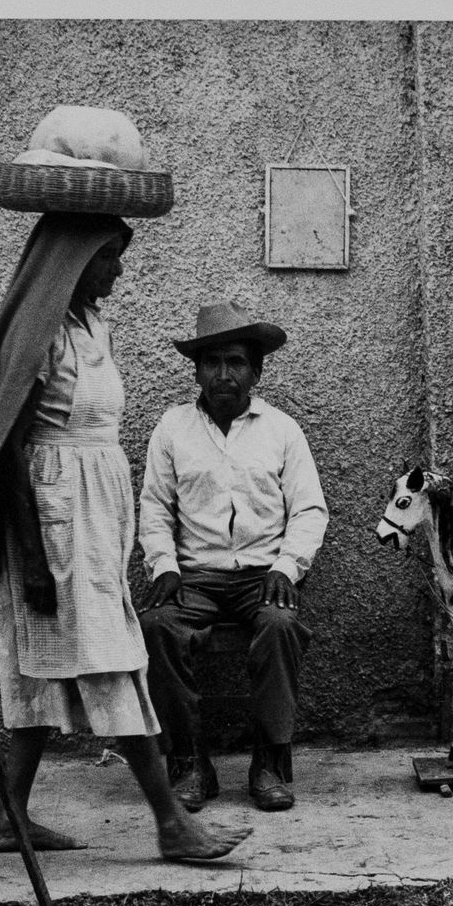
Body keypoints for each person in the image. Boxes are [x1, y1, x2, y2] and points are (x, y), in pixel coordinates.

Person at [0, 216, 252, 861]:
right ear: (73, 259)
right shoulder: (40, 333)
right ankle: (170, 821)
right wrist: (33, 557)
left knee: (46, 668)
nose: (118, 269)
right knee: (113, 658)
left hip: (93, 514)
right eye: (109, 256)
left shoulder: (93, 325)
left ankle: (8, 817)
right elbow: (7, 448)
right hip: (52, 520)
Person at [137, 299, 329, 812]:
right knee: (156, 627)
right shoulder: (172, 428)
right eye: (212, 362)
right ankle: (189, 764)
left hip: (262, 576)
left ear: (256, 371)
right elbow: (155, 507)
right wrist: (164, 566)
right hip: (194, 577)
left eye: (236, 362)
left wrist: (287, 567)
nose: (224, 374)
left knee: (280, 625)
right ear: (197, 370)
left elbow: (309, 509)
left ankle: (270, 764)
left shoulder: (282, 430)